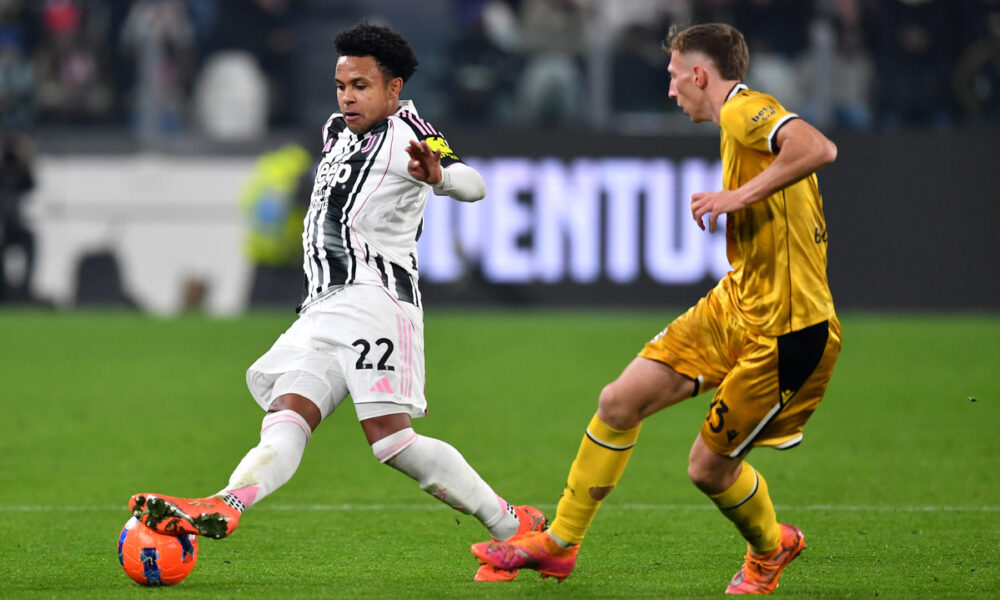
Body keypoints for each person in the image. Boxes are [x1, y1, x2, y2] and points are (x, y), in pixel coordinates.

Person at [129, 22, 545, 583]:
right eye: (341, 85)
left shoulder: (409, 131)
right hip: (323, 304)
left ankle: (513, 524)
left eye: (361, 85)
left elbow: (475, 184)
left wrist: (439, 175)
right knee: (286, 415)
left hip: (375, 298)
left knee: (393, 442)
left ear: (393, 89)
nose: (348, 96)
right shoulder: (334, 130)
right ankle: (225, 503)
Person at [472, 22, 841, 595]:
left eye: (674, 77)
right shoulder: (734, 124)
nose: (670, 91)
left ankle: (772, 548)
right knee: (618, 402)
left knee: (706, 469)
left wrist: (734, 197)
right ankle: (560, 544)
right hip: (737, 302)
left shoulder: (747, 110)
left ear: (700, 74)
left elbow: (819, 147)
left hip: (788, 331)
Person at [0, 133, 36, 303]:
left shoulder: (18, 169)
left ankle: (25, 288)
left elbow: (30, 185)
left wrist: (24, 160)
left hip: (14, 224)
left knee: (31, 242)